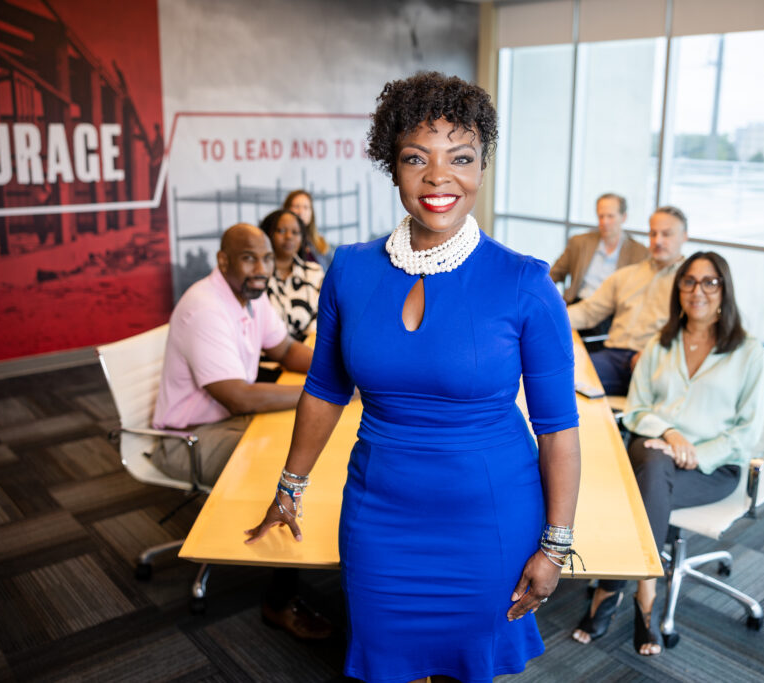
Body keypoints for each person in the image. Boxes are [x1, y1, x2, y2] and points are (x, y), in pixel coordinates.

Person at [245, 71, 582, 683]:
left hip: (490, 519)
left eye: (461, 158)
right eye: (415, 158)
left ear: (482, 167)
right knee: (387, 665)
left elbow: (558, 429)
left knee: (469, 669)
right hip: (381, 515)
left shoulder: (525, 284)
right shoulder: (348, 269)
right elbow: (324, 388)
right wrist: (290, 485)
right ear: (391, 164)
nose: (437, 177)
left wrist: (555, 546)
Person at [571, 251, 764, 656]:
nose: (698, 291)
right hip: (654, 448)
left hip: (712, 468)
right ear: (678, 289)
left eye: (709, 282)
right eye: (689, 281)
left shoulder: (748, 351)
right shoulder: (659, 344)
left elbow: (747, 431)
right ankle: (647, 599)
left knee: (641, 486)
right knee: (654, 461)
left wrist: (696, 451)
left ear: (724, 290)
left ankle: (612, 589)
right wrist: (672, 433)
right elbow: (638, 409)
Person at [152, 222, 330, 640]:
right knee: (282, 468)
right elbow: (240, 399)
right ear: (223, 261)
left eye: (267, 258)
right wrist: (324, 393)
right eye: (250, 257)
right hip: (189, 438)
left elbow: (284, 349)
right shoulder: (206, 307)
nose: (262, 268)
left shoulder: (250, 295)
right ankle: (280, 602)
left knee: (303, 445)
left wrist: (338, 368)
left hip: (225, 421)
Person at [567, 206, 688, 396]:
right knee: (561, 378)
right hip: (613, 357)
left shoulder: (690, 285)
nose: (658, 241)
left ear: (684, 237)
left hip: (657, 363)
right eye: (653, 233)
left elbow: (691, 336)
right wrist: (546, 320)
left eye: (666, 234)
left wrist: (653, 355)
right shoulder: (627, 275)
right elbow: (589, 311)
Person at [550, 193, 648, 304]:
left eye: (610, 216)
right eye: (601, 216)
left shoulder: (639, 252)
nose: (604, 222)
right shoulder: (579, 243)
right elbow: (553, 274)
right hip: (577, 302)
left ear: (624, 217)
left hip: (612, 311)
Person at [259, 209, 324, 341]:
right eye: (281, 231)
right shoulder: (256, 275)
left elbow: (323, 318)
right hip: (263, 359)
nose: (289, 236)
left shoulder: (314, 273)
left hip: (308, 355)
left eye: (295, 232)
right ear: (267, 234)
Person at [282, 189, 334, 270]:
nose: (301, 212)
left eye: (306, 207)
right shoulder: (281, 242)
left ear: (311, 213)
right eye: (296, 206)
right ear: (287, 210)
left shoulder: (320, 243)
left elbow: (333, 273)